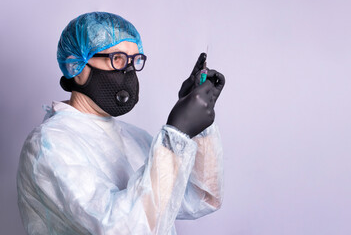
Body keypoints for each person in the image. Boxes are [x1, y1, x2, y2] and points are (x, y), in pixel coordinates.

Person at [17, 12, 225, 235]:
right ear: (76, 67)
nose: (128, 70)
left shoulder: (135, 137)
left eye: (135, 60)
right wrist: (175, 136)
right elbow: (124, 229)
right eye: (117, 59)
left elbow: (202, 198)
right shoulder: (49, 145)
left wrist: (197, 130)